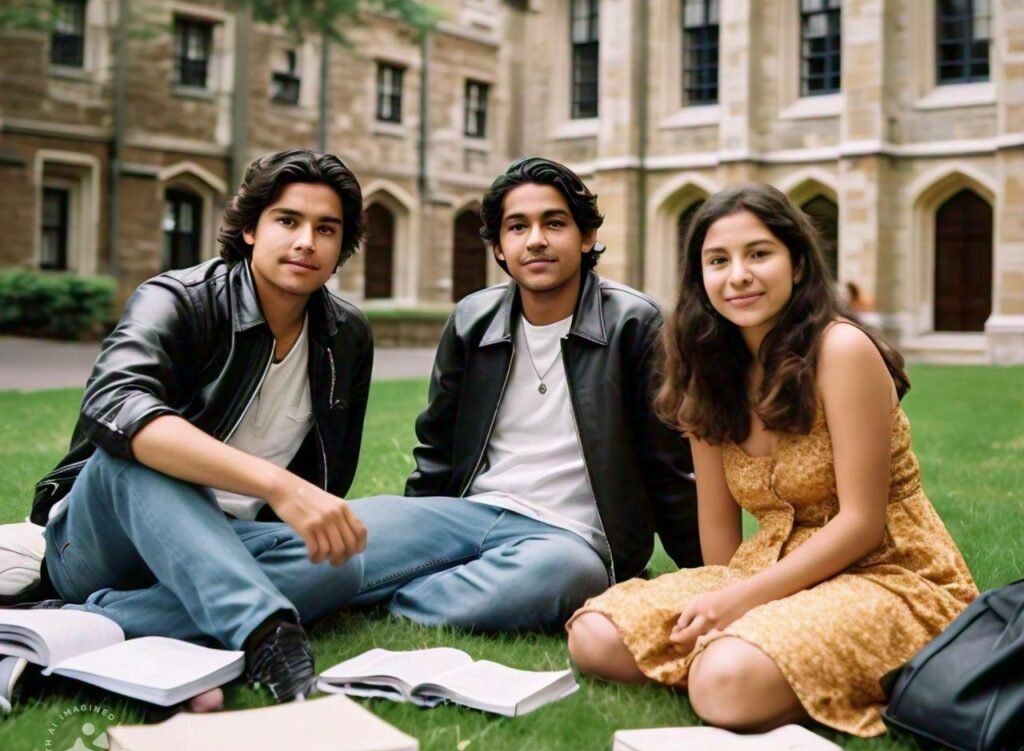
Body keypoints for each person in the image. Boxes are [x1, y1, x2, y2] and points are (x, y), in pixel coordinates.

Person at [566, 182, 976, 737]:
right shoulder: (704, 369)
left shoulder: (841, 351)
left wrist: (739, 604)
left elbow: (862, 523)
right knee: (595, 634)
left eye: (758, 254)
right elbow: (719, 536)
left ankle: (768, 667)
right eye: (718, 260)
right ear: (699, 277)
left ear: (799, 264)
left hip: (887, 573)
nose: (738, 274)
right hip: (766, 572)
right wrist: (723, 595)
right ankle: (759, 660)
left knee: (725, 684)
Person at [28, 149, 373, 705]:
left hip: (222, 542)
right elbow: (115, 405)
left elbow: (324, 478)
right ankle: (268, 637)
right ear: (252, 231)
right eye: (288, 221)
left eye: (325, 228)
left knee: (341, 565)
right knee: (134, 450)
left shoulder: (346, 335)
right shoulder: (178, 299)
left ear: (340, 248)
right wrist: (276, 484)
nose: (306, 241)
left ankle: (77, 626)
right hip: (101, 539)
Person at [348, 157, 701, 631]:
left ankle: (384, 601)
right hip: (469, 515)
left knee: (560, 577)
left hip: (569, 540)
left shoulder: (636, 324)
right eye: (518, 227)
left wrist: (710, 576)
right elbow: (437, 447)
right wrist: (415, 531)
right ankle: (272, 595)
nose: (536, 239)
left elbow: (669, 467)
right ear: (498, 246)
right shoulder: (472, 319)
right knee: (347, 530)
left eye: (554, 223)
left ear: (586, 236)